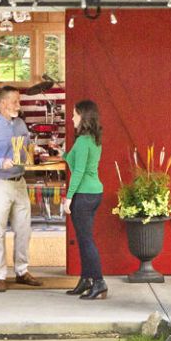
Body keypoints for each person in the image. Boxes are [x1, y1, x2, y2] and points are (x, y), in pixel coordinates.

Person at [0, 85, 44, 292]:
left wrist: (34, 151)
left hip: (19, 182)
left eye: (19, 102)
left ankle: (21, 271)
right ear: (3, 104)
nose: (18, 106)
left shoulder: (20, 124)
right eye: (15, 102)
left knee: (24, 229)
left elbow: (25, 150)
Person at [62, 100, 106, 299]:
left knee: (86, 240)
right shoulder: (93, 140)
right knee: (82, 238)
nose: (72, 118)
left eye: (74, 114)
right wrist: (62, 153)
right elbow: (76, 163)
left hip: (84, 194)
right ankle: (86, 279)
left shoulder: (82, 141)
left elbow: (78, 172)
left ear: (83, 117)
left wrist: (68, 198)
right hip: (95, 192)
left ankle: (99, 281)